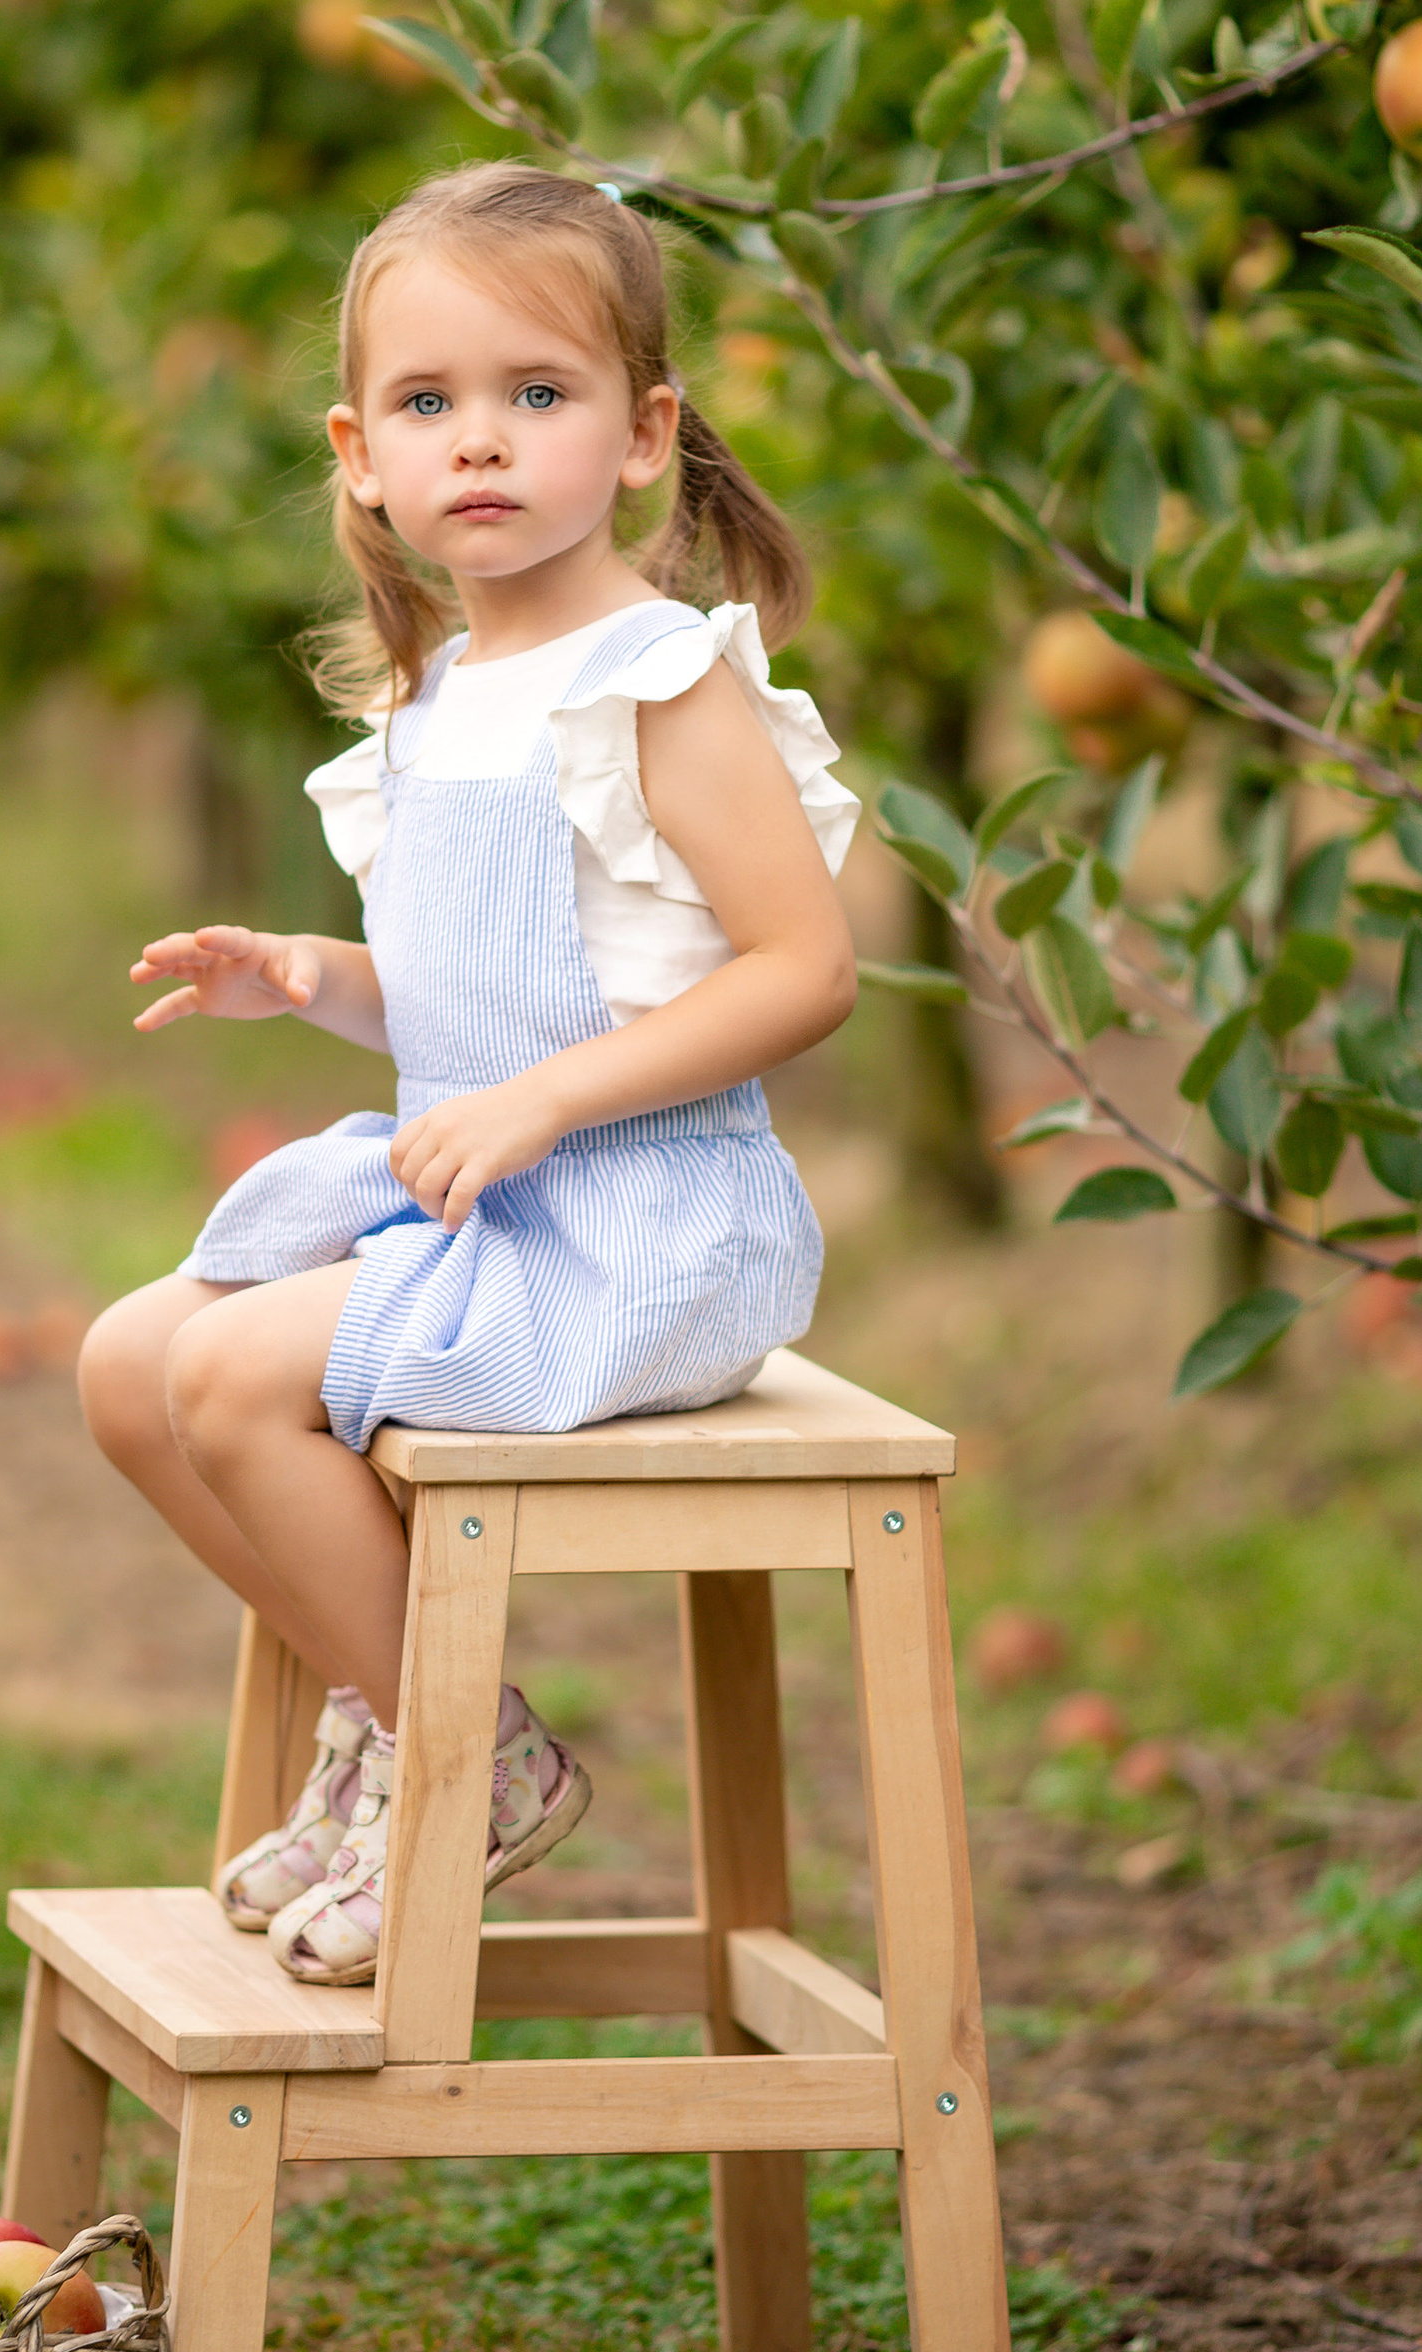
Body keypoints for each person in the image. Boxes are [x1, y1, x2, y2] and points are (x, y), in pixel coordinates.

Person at [78, 162, 860, 1988]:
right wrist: (308, 980)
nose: (481, 441)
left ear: (646, 432)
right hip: (490, 1187)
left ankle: (466, 1755)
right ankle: (384, 1700)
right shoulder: (428, 703)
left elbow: (804, 972)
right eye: (431, 404)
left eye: (539, 393)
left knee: (235, 1374)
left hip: (649, 1221)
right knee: (134, 1368)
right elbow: (463, 1012)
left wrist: (557, 1101)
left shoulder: (658, 682)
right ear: (362, 453)